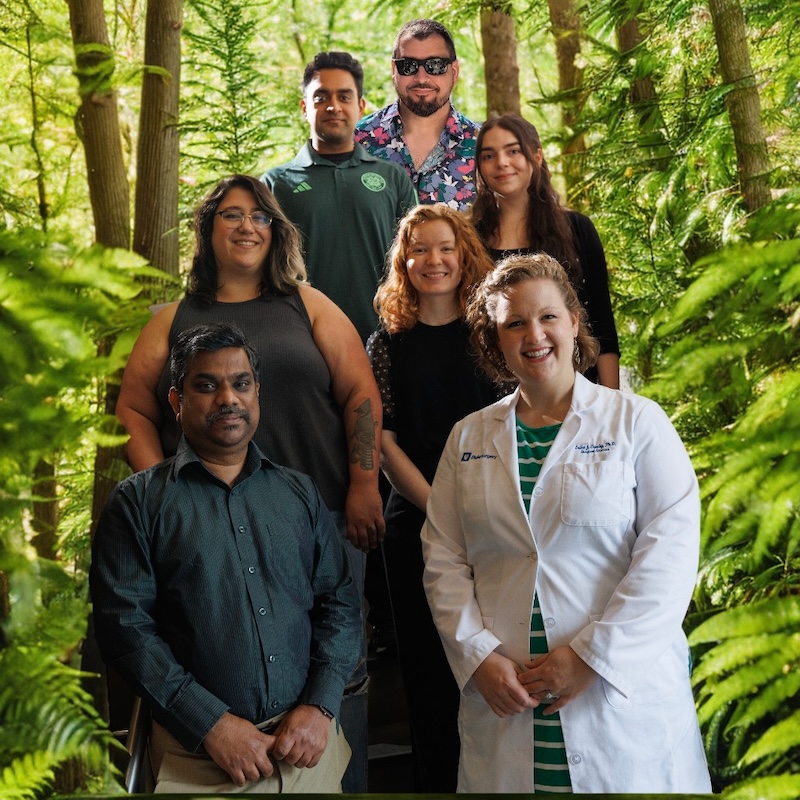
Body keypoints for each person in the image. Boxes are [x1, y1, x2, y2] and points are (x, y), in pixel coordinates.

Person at [114, 175, 383, 793]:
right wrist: (162, 488)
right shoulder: (175, 317)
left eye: (260, 216)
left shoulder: (307, 305)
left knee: (339, 671)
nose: (246, 226)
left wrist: (364, 486)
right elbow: (131, 408)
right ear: (207, 232)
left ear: (277, 230)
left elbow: (360, 394)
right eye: (230, 215)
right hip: (205, 527)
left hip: (317, 521)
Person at [421, 253, 712, 793]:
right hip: (506, 700)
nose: (535, 335)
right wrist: (478, 657)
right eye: (515, 323)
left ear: (574, 323)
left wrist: (590, 659)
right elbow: (443, 556)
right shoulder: (468, 438)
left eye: (548, 317)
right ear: (496, 340)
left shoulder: (636, 422)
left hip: (617, 701)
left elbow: (669, 557)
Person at [91, 323, 361, 793]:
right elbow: (126, 632)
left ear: (257, 393)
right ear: (176, 402)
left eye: (240, 384)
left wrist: (320, 705)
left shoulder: (298, 492)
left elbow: (338, 603)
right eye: (206, 385)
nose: (227, 399)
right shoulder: (137, 504)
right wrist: (210, 724)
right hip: (197, 762)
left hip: (308, 757)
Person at [366, 204, 505, 791]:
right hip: (417, 521)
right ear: (404, 262)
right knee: (428, 677)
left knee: (495, 668)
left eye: (445, 247)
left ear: (464, 252)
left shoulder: (493, 333)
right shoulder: (387, 341)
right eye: (419, 249)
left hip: (501, 521)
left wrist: (479, 514)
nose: (433, 260)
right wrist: (444, 513)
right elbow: (383, 440)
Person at [263, 51, 417, 342]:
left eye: (344, 97)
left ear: (360, 106)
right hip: (302, 339)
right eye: (321, 97)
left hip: (387, 337)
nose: (334, 106)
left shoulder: (392, 178)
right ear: (304, 108)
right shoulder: (275, 184)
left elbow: (416, 259)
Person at [471, 113, 621, 387]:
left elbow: (601, 323)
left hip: (571, 386)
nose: (502, 163)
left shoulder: (576, 228)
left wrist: (611, 400)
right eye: (488, 155)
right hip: (488, 390)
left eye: (513, 151)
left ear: (536, 157)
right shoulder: (469, 236)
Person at [355, 19, 479, 211]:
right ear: (394, 70)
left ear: (454, 71)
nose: (421, 78)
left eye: (435, 65)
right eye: (408, 66)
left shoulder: (482, 147)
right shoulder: (357, 141)